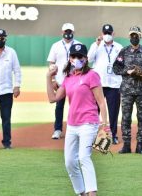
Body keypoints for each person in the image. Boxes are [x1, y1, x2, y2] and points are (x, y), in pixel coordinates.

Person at [47, 44, 107, 196]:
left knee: (83, 157)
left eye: (80, 57)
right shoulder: (68, 78)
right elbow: (53, 98)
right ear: (70, 59)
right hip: (72, 125)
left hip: (89, 123)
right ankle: (81, 192)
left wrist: (104, 126)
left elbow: (101, 102)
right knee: (69, 162)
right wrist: (49, 77)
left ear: (86, 59)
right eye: (73, 56)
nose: (76, 59)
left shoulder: (92, 75)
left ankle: (92, 193)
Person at [113, 26, 142, 154]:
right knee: (126, 118)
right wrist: (126, 71)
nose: (134, 37)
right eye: (132, 35)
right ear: (129, 37)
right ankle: (126, 145)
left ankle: (140, 145)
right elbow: (115, 68)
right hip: (127, 91)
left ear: (140, 36)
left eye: (136, 35)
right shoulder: (123, 52)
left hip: (141, 91)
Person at [88, 24, 123, 145]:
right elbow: (89, 59)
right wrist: (96, 44)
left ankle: (113, 135)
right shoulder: (96, 45)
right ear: (102, 34)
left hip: (114, 83)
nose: (107, 35)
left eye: (109, 33)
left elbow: (122, 64)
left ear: (113, 34)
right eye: (105, 33)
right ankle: (92, 134)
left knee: (113, 111)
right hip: (99, 83)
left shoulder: (119, 47)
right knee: (94, 110)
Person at [47, 23, 81, 139]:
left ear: (73, 32)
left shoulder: (79, 45)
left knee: (76, 105)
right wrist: (52, 79)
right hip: (61, 81)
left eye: (70, 31)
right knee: (59, 106)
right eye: (66, 31)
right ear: (62, 32)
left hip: (75, 81)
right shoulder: (56, 46)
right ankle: (57, 129)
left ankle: (77, 128)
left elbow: (84, 62)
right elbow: (51, 63)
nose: (68, 33)